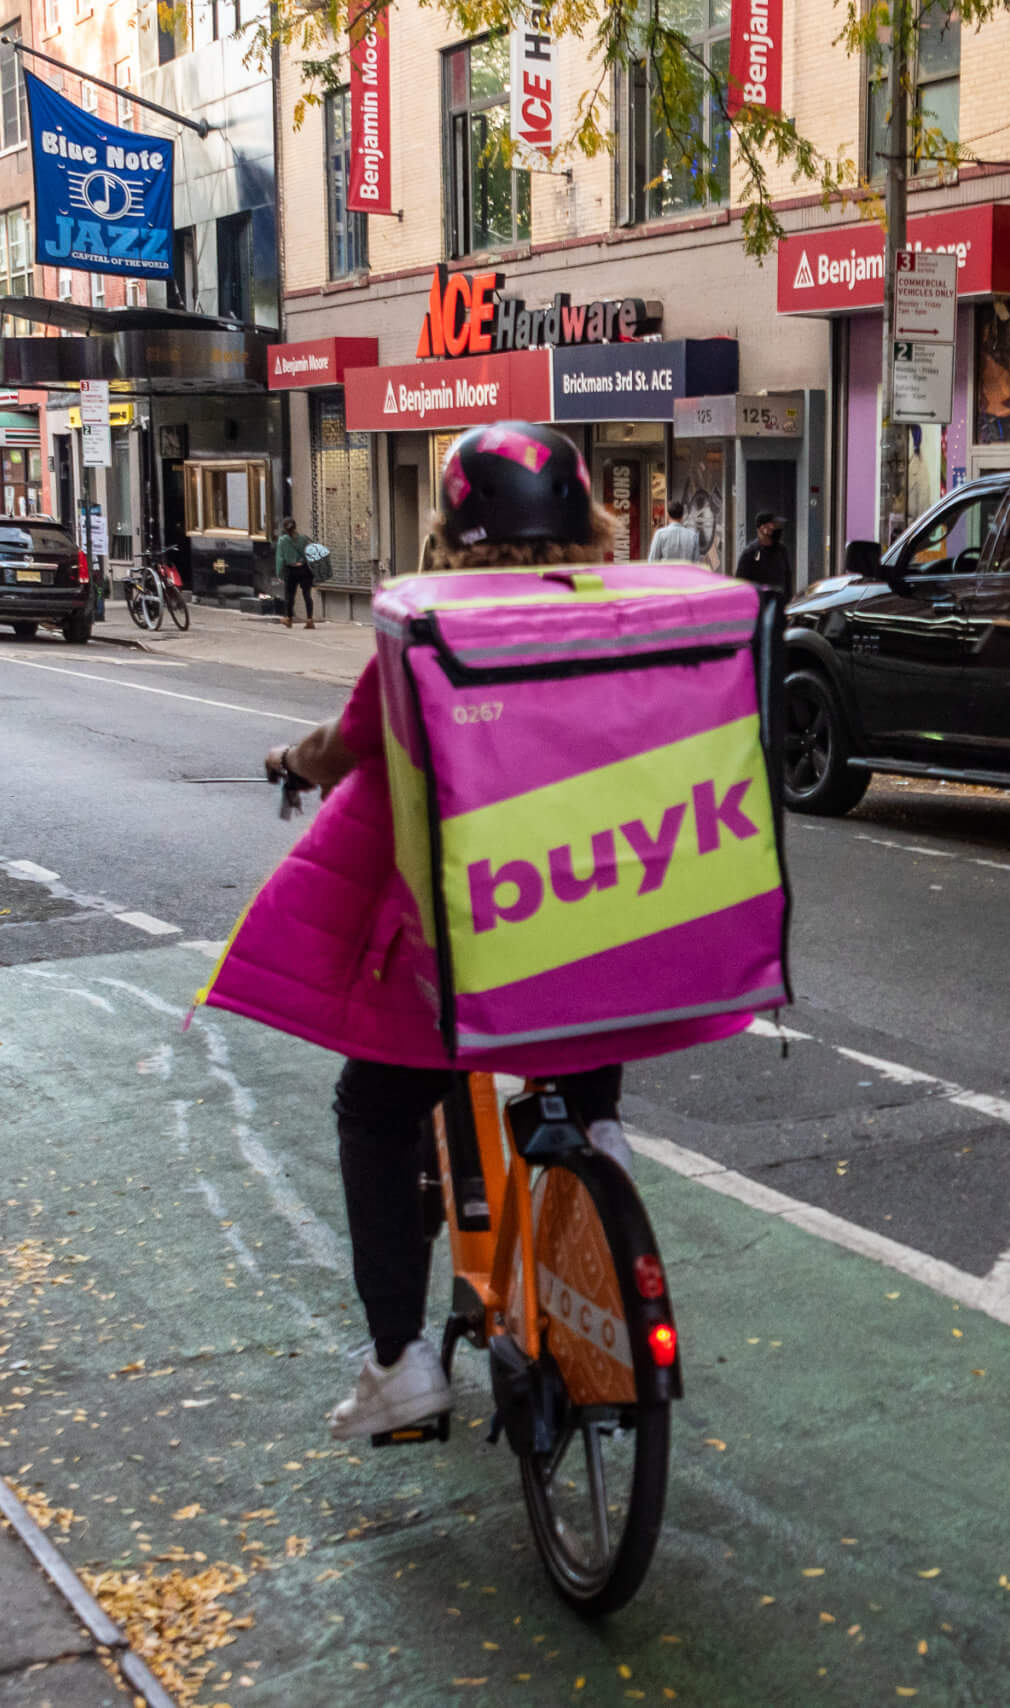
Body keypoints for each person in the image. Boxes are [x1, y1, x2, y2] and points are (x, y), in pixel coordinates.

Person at [211, 423, 755, 1441]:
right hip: (609, 939)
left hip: (463, 957)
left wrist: (289, 757)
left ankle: (398, 1363)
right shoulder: (621, 621)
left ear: (451, 529)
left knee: (373, 1107)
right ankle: (600, 1145)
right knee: (583, 1007)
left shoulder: (430, 629)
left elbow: (345, 745)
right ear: (589, 519)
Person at [734, 511, 791, 598]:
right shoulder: (750, 553)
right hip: (759, 605)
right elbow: (740, 583)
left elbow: (788, 578)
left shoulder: (781, 550)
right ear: (763, 528)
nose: (777, 528)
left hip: (779, 603)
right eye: (773, 525)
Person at [275, 516, 318, 628]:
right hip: (304, 569)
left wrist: (279, 574)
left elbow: (280, 559)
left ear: (284, 528)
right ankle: (309, 620)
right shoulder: (303, 539)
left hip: (291, 570)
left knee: (290, 596)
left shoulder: (282, 541)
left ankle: (289, 619)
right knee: (307, 595)